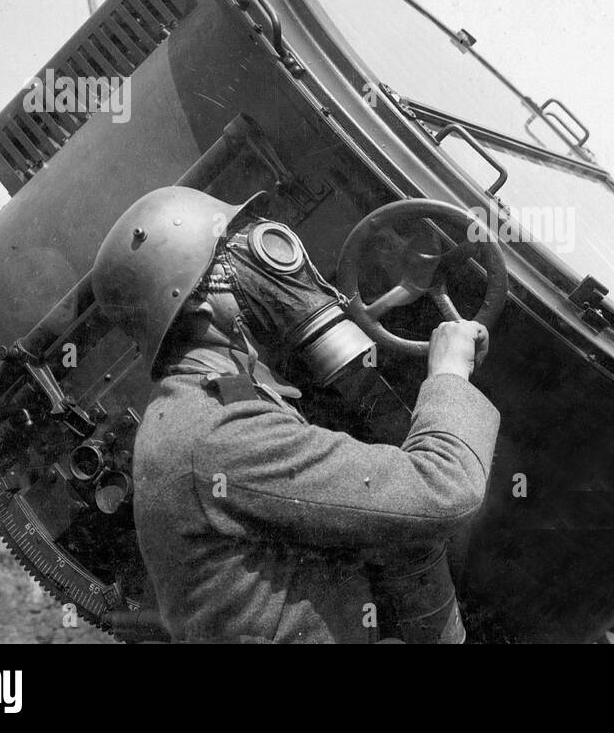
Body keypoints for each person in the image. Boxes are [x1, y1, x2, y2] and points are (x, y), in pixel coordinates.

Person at [90, 186, 499, 643]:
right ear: (198, 306)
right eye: (240, 260)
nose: (273, 271)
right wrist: (448, 373)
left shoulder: (203, 405)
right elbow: (443, 487)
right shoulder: (219, 432)